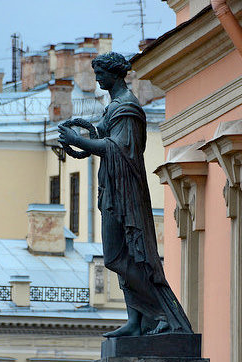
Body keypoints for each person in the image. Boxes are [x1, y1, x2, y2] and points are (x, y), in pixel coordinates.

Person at [57, 52, 193, 337]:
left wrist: (78, 140)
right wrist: (85, 142)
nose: (97, 80)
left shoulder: (128, 108)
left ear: (115, 75)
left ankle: (160, 313)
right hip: (112, 187)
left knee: (123, 255)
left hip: (126, 192)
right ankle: (136, 321)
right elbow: (101, 139)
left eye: (100, 75)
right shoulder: (114, 107)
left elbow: (119, 148)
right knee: (123, 255)